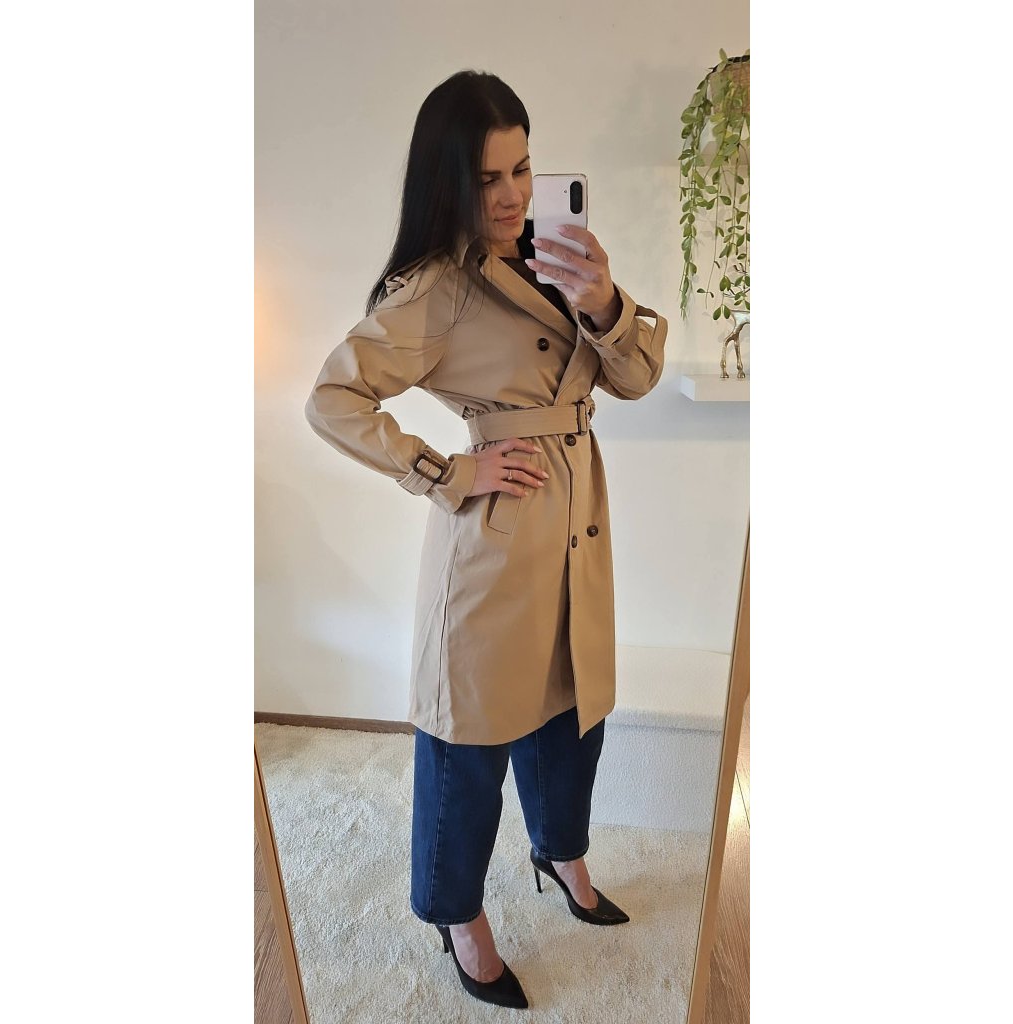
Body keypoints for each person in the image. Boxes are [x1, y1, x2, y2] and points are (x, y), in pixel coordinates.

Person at [304, 69, 668, 1010]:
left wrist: (604, 300)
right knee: (468, 743)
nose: (511, 196)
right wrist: (450, 472)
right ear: (449, 182)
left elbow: (634, 378)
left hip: (577, 520)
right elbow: (333, 399)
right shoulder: (436, 289)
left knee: (572, 715)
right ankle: (456, 913)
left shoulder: (556, 259)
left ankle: (561, 855)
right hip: (497, 538)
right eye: (487, 178)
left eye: (523, 169)